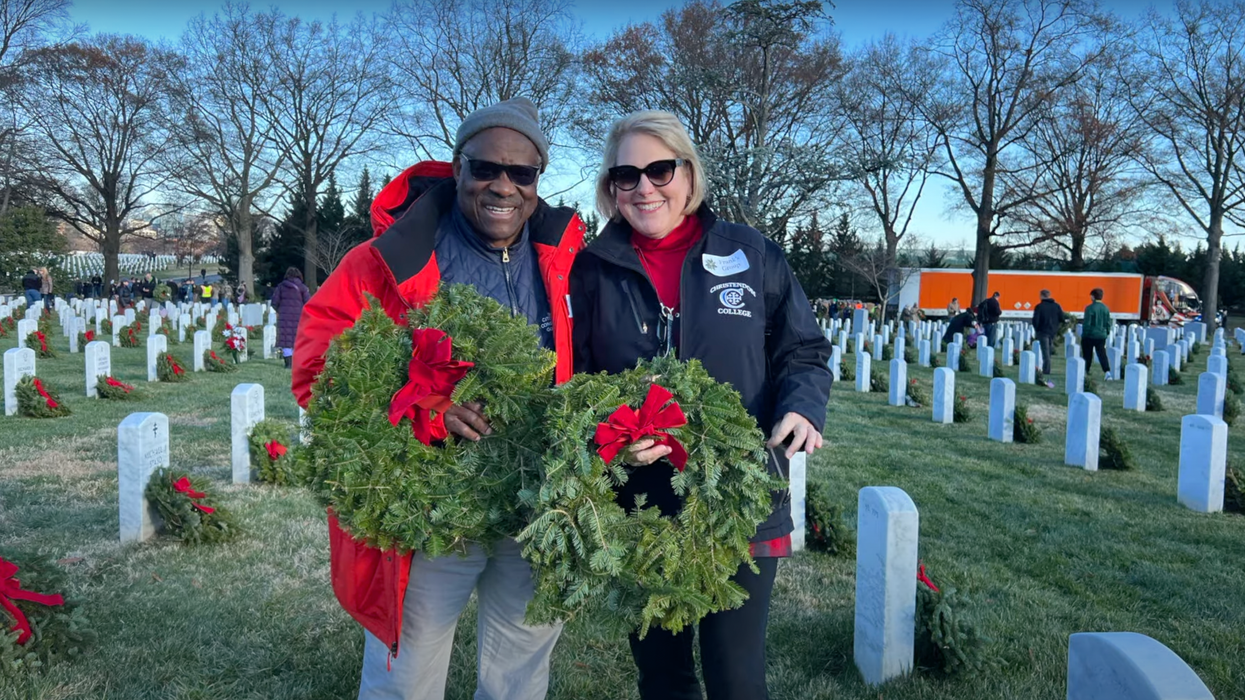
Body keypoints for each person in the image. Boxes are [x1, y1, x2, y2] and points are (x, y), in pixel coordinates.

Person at [292, 98, 582, 700]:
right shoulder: (385, 260)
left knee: (519, 676)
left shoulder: (568, 260)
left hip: (536, 503)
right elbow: (317, 368)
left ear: (537, 182)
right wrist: (424, 407)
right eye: (485, 168)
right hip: (432, 510)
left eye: (522, 173)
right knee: (408, 675)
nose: (502, 185)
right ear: (457, 168)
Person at [569, 110, 832, 700]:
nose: (645, 188)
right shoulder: (592, 270)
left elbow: (805, 350)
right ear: (610, 190)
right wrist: (608, 439)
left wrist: (802, 407)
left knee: (736, 678)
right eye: (626, 176)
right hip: (639, 500)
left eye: (660, 169)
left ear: (689, 175)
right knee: (663, 677)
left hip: (740, 495)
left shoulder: (753, 254)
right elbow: (577, 379)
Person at [269, 268, 309, 370]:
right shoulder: (303, 288)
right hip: (298, 317)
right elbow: (308, 303)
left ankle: (288, 364)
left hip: (284, 317)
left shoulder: (281, 287)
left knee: (286, 340)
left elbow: (274, 302)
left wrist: (280, 310)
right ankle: (298, 363)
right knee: (298, 339)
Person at [1031, 289, 1063, 388]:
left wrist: (1037, 330)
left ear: (1041, 296)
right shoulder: (1056, 306)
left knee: (1045, 351)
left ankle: (1046, 370)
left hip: (1043, 332)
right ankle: (1047, 368)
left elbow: (1035, 320)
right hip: (1052, 332)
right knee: (1048, 350)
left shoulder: (1039, 307)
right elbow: (1061, 318)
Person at [1082, 288, 1113, 379]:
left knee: (1087, 354)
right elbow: (1108, 323)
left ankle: (1086, 370)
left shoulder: (1089, 308)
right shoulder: (1106, 308)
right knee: (1102, 353)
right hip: (1101, 335)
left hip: (1090, 335)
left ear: (1093, 296)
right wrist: (1106, 332)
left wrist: (1084, 334)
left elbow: (1087, 323)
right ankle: (1107, 372)